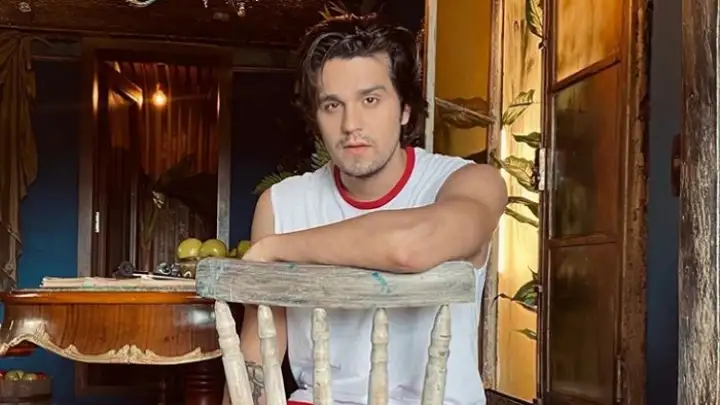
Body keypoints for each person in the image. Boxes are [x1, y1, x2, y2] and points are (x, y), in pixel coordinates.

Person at [233, 11, 507, 405]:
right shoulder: (281, 204)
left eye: (370, 100)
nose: (351, 124)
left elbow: (409, 246)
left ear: (405, 109)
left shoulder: (471, 183)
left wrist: (276, 248)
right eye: (332, 105)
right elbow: (257, 357)